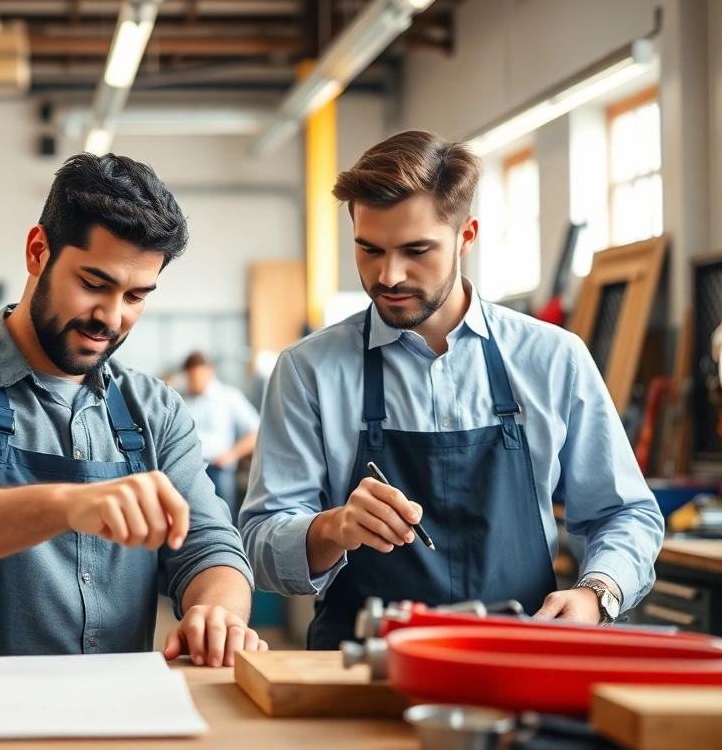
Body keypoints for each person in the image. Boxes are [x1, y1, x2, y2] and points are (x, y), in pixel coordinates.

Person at [240, 130, 665, 650]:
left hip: (519, 664)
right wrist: (334, 528)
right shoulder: (308, 370)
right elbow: (260, 543)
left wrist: (596, 593)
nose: (388, 274)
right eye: (368, 249)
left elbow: (624, 512)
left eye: (416, 250)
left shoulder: (554, 359)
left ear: (467, 235)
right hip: (358, 673)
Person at [0, 153, 264, 665]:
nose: (112, 317)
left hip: (113, 723)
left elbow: (211, 546)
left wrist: (217, 611)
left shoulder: (155, 409)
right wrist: (67, 505)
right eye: (94, 284)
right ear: (37, 251)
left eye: (136, 296)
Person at [180, 351, 261, 521]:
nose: (194, 383)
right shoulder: (181, 398)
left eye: (197, 378)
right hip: (189, 469)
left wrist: (231, 455)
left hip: (218, 468)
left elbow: (256, 431)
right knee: (191, 521)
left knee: (222, 520)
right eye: (190, 378)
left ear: (210, 372)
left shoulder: (229, 396)